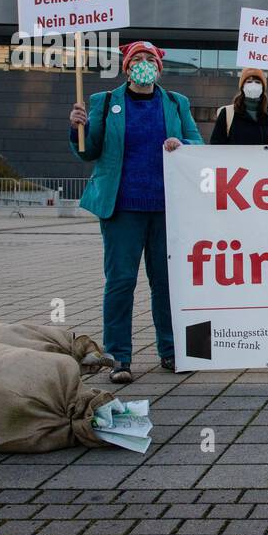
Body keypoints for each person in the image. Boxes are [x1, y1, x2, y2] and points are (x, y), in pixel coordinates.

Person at [68, 41, 203, 383]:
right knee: (121, 282)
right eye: (137, 60)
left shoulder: (175, 102)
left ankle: (171, 352)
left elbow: (197, 143)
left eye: (150, 60)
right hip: (122, 208)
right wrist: (77, 128)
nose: (144, 64)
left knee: (165, 282)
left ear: (159, 67)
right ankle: (118, 357)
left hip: (166, 208)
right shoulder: (105, 101)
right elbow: (89, 152)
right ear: (127, 67)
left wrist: (182, 145)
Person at [211, 67, 268, 146]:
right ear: (242, 86)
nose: (253, 85)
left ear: (263, 87)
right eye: (249, 81)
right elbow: (216, 144)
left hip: (262, 158)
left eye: (257, 82)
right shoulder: (227, 113)